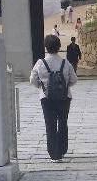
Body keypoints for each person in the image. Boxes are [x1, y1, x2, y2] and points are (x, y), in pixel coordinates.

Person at [30, 34, 78, 162]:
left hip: (46, 98)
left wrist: (42, 87)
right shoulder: (65, 63)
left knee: (50, 124)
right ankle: (62, 150)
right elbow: (74, 79)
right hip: (64, 97)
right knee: (62, 123)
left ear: (46, 47)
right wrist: (65, 86)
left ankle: (54, 154)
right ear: (59, 46)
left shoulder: (40, 63)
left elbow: (33, 80)